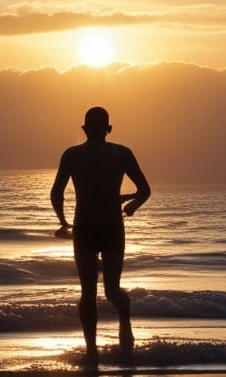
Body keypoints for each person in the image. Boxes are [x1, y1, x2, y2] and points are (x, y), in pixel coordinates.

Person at [51, 106, 151, 364]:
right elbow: (145, 190)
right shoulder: (121, 153)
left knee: (88, 292)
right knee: (112, 289)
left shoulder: (72, 155)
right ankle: (124, 320)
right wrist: (131, 205)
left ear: (84, 129)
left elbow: (56, 193)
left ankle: (91, 350)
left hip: (83, 227)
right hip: (112, 228)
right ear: (109, 129)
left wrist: (63, 223)